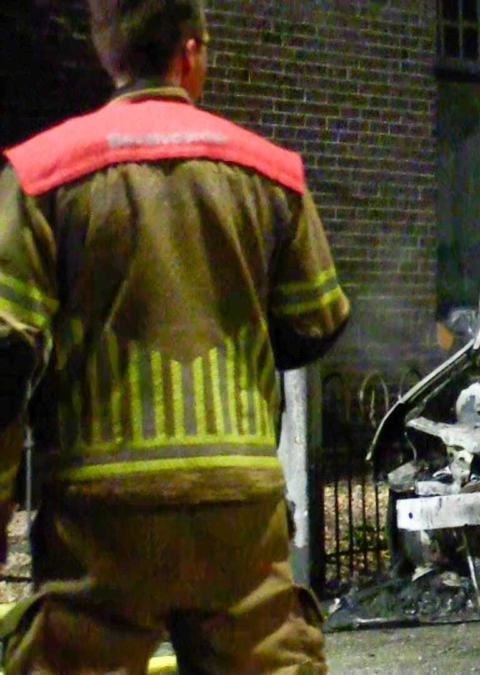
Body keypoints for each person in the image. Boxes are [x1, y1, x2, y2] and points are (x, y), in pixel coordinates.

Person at [0, 0, 350, 671]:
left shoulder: (39, 175)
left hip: (97, 514)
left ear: (108, 54)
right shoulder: (270, 173)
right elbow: (316, 324)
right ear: (192, 53)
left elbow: (4, 354)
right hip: (239, 511)